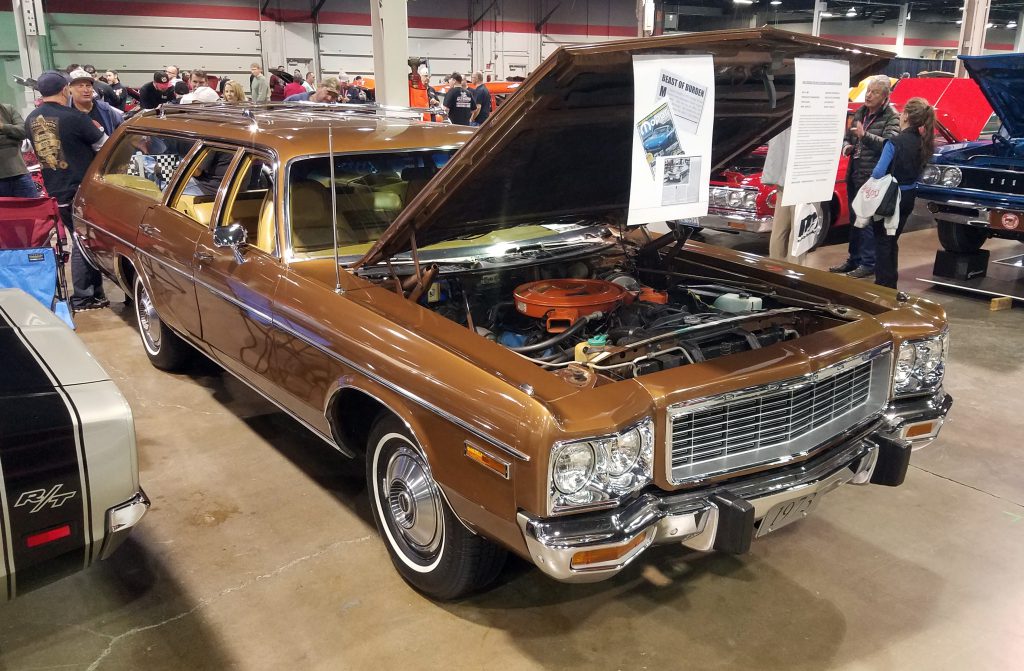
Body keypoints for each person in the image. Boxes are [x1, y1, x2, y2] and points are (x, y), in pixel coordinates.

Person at [25, 70, 109, 310]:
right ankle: (83, 296)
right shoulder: (74, 117)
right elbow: (103, 145)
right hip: (80, 188)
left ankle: (94, 294)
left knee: (80, 239)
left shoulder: (31, 118)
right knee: (82, 241)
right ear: (65, 90)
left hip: (54, 188)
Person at [830, 75, 899, 279]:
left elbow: (890, 144)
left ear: (885, 96)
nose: (869, 95)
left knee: (867, 220)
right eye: (868, 90)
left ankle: (869, 263)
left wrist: (864, 136)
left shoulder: (892, 117)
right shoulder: (861, 112)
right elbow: (847, 137)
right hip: (855, 172)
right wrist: (847, 147)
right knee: (854, 219)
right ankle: (854, 259)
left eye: (875, 92)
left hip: (873, 178)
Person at [867, 97, 935, 289]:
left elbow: (878, 172)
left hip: (890, 197)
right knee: (892, 240)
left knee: (882, 242)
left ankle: (883, 285)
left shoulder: (894, 143)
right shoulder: (923, 143)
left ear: (905, 115)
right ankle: (890, 283)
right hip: (908, 195)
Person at [762, 128, 809, 265]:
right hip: (803, 177)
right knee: (799, 231)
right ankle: (794, 273)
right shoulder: (808, 112)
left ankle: (775, 268)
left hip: (782, 176)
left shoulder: (784, 112)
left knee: (779, 229)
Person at [67, 69, 124, 136]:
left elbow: (122, 125)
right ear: (69, 88)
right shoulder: (64, 111)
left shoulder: (105, 108)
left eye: (88, 86)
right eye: (80, 86)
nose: (85, 90)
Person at [0, 102, 35, 197]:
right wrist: (13, 138)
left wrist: (3, 126)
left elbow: (24, 132)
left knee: (34, 209)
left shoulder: (8, 109)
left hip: (19, 173)